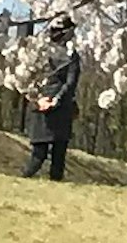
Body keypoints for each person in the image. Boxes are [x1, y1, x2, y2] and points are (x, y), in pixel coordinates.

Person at [21, 20, 83, 183]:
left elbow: (28, 79)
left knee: (39, 155)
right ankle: (28, 181)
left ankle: (23, 181)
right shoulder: (71, 55)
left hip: (46, 105)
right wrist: (55, 100)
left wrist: (39, 98)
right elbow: (70, 83)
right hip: (58, 106)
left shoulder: (40, 52)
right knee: (55, 156)